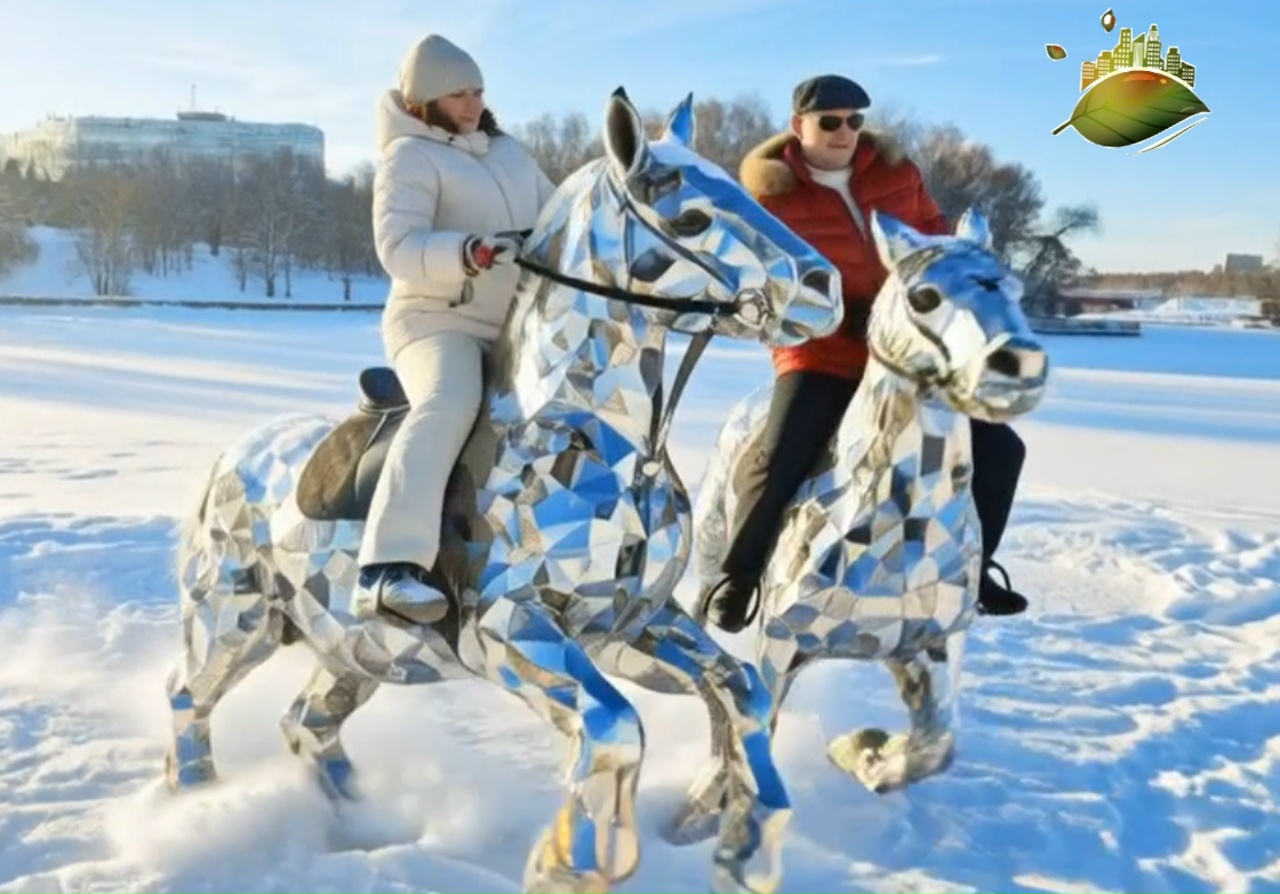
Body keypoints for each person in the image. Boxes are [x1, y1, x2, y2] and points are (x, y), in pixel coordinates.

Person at [701, 74, 1030, 634]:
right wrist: (833, 314)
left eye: (855, 120)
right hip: (820, 353)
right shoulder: (767, 198)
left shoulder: (898, 175)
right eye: (830, 121)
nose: (845, 131)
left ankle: (974, 569)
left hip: (906, 354)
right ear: (797, 126)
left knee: (1001, 447)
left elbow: (932, 243)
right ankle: (739, 575)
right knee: (784, 451)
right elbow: (761, 285)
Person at [355, 33, 556, 625]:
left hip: (516, 326)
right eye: (455, 94)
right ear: (423, 101)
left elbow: (556, 217)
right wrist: (467, 252)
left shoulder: (508, 152)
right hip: (437, 321)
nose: (471, 104)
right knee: (450, 401)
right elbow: (398, 247)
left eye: (477, 91)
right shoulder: (407, 158)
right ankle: (388, 570)